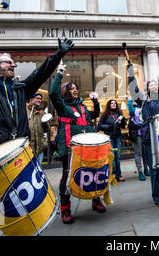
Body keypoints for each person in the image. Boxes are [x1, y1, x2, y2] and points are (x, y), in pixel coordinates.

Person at [0, 5, 74, 236]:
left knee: (14, 203)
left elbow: (40, 74)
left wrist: (58, 55)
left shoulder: (19, 89)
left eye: (12, 62)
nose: (13, 64)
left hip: (13, 153)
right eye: (8, 62)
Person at [49, 62, 101, 224]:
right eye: (71, 89)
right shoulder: (63, 106)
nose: (75, 90)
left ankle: (96, 200)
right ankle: (65, 209)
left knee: (93, 173)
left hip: (89, 147)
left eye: (76, 88)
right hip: (70, 148)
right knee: (67, 176)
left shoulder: (83, 106)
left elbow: (94, 116)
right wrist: (59, 73)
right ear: (65, 92)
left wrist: (96, 102)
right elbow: (52, 94)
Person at [127, 63, 159, 208]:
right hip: (150, 138)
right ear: (147, 89)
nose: (154, 86)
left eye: (155, 85)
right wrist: (131, 72)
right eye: (151, 85)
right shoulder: (143, 101)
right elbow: (133, 88)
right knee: (155, 168)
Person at [98, 99, 126, 182]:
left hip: (118, 137)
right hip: (109, 137)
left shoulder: (119, 114)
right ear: (109, 105)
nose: (113, 104)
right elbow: (99, 125)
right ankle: (113, 175)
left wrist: (123, 122)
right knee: (112, 157)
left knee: (118, 157)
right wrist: (108, 126)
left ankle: (119, 174)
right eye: (112, 103)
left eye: (115, 103)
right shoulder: (105, 114)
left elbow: (123, 126)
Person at [127, 96, 148, 180]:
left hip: (145, 134)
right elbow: (130, 109)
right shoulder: (133, 110)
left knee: (145, 154)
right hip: (137, 135)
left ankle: (146, 169)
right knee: (138, 154)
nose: (136, 101)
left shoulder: (143, 108)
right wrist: (129, 100)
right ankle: (140, 172)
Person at [26, 92, 49, 165]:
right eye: (37, 98)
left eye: (41, 99)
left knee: (39, 170)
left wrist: (45, 122)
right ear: (31, 99)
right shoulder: (24, 110)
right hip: (28, 148)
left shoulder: (41, 112)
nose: (40, 100)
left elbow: (47, 129)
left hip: (39, 147)